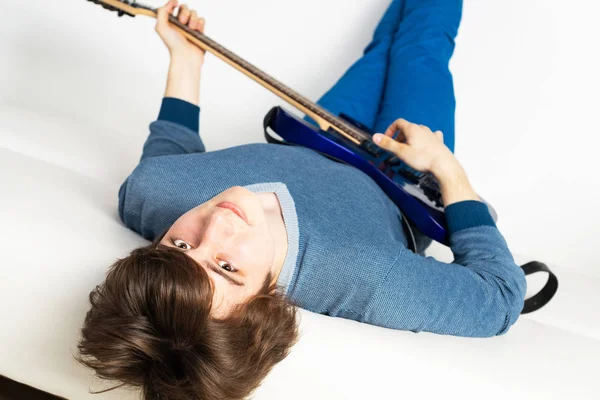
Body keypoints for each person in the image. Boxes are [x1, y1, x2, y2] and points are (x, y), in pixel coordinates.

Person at [76, 0, 527, 399]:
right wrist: (449, 172)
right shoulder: (369, 279)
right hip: (406, 171)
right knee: (422, 46)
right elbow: (501, 297)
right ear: (268, 301)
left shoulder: (152, 194)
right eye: (228, 268)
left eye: (179, 246)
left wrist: (186, 61)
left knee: (384, 44)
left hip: (323, 133)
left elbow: (169, 159)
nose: (215, 225)